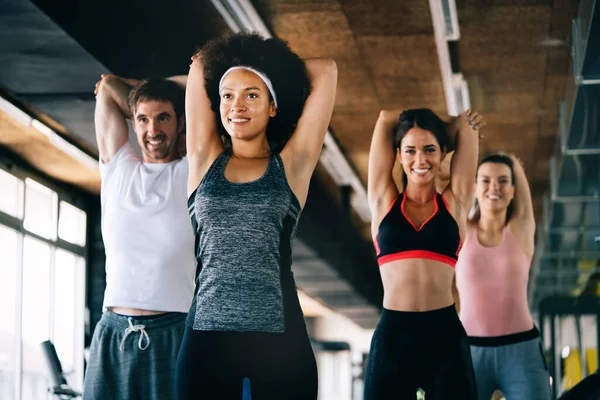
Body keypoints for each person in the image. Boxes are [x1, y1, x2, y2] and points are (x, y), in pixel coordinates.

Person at [175, 33, 337, 399]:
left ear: (273, 105)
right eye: (227, 95)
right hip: (206, 335)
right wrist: (225, 62)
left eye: (252, 94)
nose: (237, 105)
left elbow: (325, 71)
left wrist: (267, 66)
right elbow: (199, 66)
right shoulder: (203, 161)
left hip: (278, 339)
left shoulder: (292, 166)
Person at [83, 74, 196, 400]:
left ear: (180, 123)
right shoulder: (118, 167)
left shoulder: (192, 171)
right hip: (113, 331)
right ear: (133, 123)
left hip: (173, 332)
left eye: (164, 118)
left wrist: (158, 89)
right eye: (143, 119)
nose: (153, 130)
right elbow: (106, 87)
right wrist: (147, 90)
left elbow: (208, 79)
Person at [364, 108, 485, 399]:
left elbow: (467, 129)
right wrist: (442, 123)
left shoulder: (455, 204)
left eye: (430, 149)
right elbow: (384, 117)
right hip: (393, 336)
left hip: (444, 336)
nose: (420, 160)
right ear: (398, 155)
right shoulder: (383, 201)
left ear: (444, 152)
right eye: (410, 150)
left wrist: (455, 125)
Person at [455, 153, 552, 400]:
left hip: (521, 350)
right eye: (486, 180)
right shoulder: (461, 230)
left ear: (512, 190)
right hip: (470, 350)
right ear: (475, 188)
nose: (494, 187)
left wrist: (513, 162)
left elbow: (525, 201)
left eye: (502, 180)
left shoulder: (521, 229)